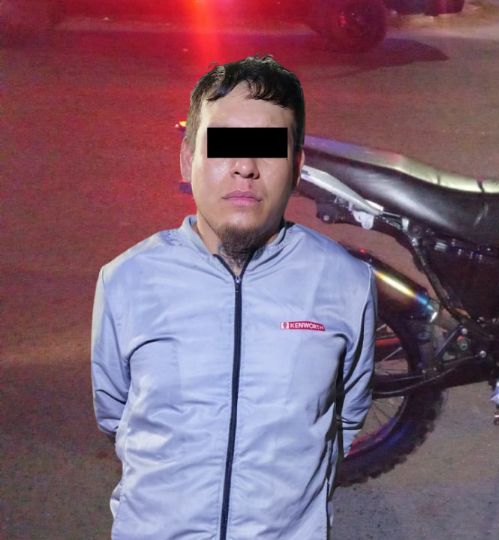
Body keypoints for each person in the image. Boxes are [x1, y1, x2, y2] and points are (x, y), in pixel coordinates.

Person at [91, 56, 376, 539]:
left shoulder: (347, 283)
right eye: (224, 145)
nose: (245, 167)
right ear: (187, 159)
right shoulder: (126, 280)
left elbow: (345, 420)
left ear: (297, 167)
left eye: (267, 148)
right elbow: (115, 415)